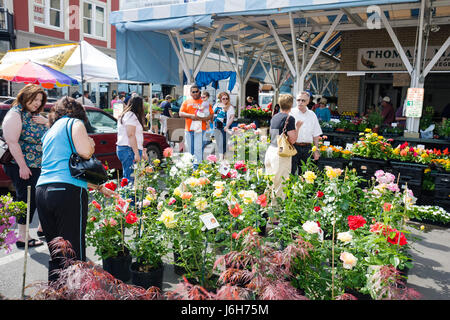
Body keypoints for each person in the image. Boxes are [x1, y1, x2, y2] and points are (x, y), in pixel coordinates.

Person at [35, 96, 117, 282]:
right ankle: (75, 293)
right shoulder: (74, 123)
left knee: (57, 253)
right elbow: (85, 152)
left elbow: (59, 169)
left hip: (43, 191)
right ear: (78, 112)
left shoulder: (50, 131)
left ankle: (56, 292)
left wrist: (98, 187)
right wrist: (91, 144)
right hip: (67, 193)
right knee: (73, 253)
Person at [2, 84, 49, 248]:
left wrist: (47, 121)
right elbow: (12, 142)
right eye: (34, 99)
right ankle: (22, 237)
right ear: (25, 96)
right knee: (26, 200)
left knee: (38, 198)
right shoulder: (15, 114)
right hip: (21, 165)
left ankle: (42, 228)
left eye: (40, 100)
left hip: (36, 165)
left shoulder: (31, 113)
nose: (37, 103)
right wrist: (22, 166)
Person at [265, 94, 303, 202]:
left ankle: (266, 211)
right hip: (280, 154)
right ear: (291, 105)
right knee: (280, 187)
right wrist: (298, 128)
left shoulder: (274, 117)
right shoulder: (289, 119)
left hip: (270, 151)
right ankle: (275, 217)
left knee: (270, 183)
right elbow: (293, 139)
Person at [116, 96, 148, 184]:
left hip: (127, 149)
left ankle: (127, 197)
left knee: (129, 177)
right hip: (129, 149)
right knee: (131, 179)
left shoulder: (127, 114)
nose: (144, 107)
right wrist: (137, 153)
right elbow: (131, 135)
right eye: (142, 104)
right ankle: (128, 198)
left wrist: (142, 149)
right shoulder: (131, 115)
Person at [179, 85, 214, 167]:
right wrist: (191, 116)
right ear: (190, 93)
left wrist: (203, 118)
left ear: (200, 92)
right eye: (193, 92)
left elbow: (211, 115)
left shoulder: (204, 102)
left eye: (196, 91)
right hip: (189, 129)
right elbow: (180, 113)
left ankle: (197, 169)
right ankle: (190, 167)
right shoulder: (186, 102)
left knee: (198, 149)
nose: (195, 93)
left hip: (200, 129)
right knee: (190, 149)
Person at [289, 91, 323, 175]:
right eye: (298, 100)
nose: (300, 102)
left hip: (307, 148)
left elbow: (316, 134)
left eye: (303, 100)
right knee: (291, 173)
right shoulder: (291, 113)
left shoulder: (312, 115)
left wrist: (316, 150)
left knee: (305, 175)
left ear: (308, 102)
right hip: (293, 147)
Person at [213, 91, 235, 160]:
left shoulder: (230, 107)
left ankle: (221, 158)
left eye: (226, 98)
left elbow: (232, 117)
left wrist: (227, 126)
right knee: (218, 142)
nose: (225, 100)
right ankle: (221, 156)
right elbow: (213, 115)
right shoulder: (216, 105)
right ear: (220, 99)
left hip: (224, 127)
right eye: (223, 98)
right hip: (216, 126)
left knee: (223, 142)